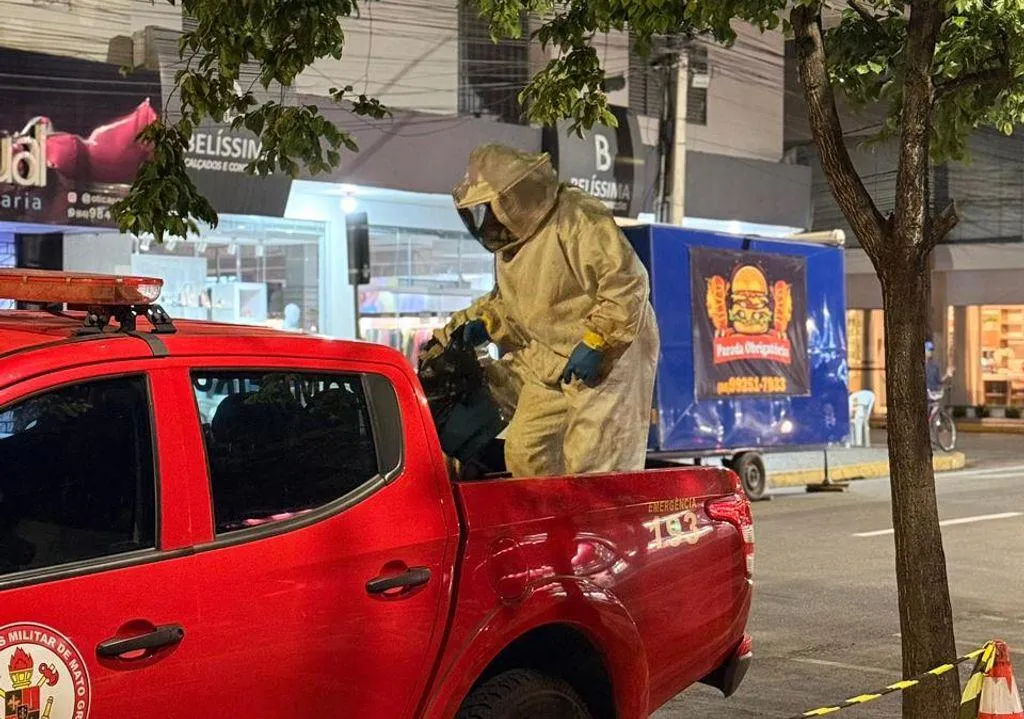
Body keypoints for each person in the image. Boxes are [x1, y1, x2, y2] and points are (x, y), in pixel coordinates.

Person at [435, 143, 660, 477]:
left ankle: (595, 527)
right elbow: (516, 304)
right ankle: (551, 526)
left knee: (594, 466)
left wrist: (598, 341)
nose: (486, 220)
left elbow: (626, 282)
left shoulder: (577, 217)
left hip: (612, 358)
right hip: (551, 358)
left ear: (513, 198)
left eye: (488, 207)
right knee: (527, 451)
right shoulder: (512, 243)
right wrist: (481, 323)